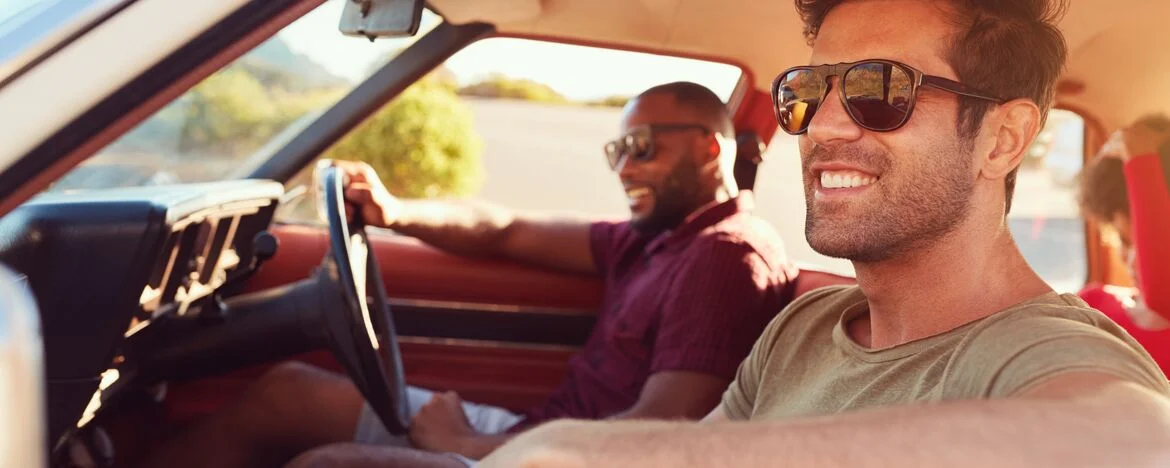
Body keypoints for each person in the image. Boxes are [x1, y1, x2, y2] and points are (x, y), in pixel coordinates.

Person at [471, 1, 1170, 466]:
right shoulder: (805, 326)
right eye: (807, 92)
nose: (825, 126)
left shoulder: (1038, 352)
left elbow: (1139, 441)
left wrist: (581, 454)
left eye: (880, 89)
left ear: (1002, 139)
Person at [140, 81, 798, 468]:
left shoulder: (724, 257)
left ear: (710, 147)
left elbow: (663, 434)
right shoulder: (651, 239)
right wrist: (396, 212)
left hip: (556, 456)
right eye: (616, 150)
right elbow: (507, 229)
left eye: (641, 148)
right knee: (289, 391)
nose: (623, 168)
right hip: (538, 431)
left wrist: (473, 444)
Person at [1077, 114, 1170, 372]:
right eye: (1124, 240)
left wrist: (1140, 158)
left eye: (1148, 237)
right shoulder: (1092, 304)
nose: (1133, 260)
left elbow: (1162, 292)